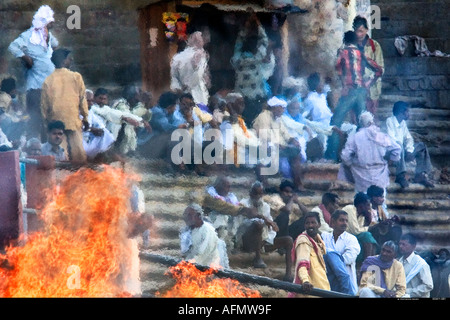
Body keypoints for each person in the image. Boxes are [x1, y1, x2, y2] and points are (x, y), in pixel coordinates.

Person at [324, 31, 383, 162]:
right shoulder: (362, 54)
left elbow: (339, 69)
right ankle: (364, 155)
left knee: (335, 122)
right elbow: (379, 70)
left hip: (349, 91)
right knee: (362, 123)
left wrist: (344, 85)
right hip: (362, 91)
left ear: (345, 40)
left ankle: (331, 155)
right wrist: (367, 83)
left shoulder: (343, 52)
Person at [8, 5, 59, 139]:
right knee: (35, 118)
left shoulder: (48, 35)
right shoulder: (28, 36)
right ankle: (34, 146)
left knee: (50, 118)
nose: (52, 23)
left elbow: (55, 45)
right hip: (36, 86)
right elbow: (13, 47)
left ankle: (47, 145)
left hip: (50, 86)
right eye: (49, 21)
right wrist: (25, 57)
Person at [40, 48, 89, 163]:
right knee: (79, 153)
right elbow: (82, 99)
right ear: (63, 61)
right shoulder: (76, 77)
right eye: (68, 58)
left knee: (61, 153)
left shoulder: (48, 80)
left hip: (56, 122)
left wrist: (46, 123)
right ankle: (80, 174)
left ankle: (63, 175)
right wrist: (85, 118)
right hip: (73, 120)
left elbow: (44, 105)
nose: (70, 60)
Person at [238, 181, 293, 280]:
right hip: (247, 242)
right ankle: (257, 258)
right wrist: (264, 221)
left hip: (263, 242)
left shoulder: (265, 206)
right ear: (250, 193)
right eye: (255, 193)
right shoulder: (243, 203)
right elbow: (242, 225)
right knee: (257, 224)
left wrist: (272, 229)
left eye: (260, 193)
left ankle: (288, 274)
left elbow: (271, 228)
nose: (258, 196)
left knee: (288, 240)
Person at [253, 96, 308, 193]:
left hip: (279, 146)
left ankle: (298, 184)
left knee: (296, 154)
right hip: (264, 145)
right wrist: (277, 143)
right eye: (281, 107)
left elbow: (285, 133)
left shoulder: (278, 118)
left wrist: (292, 140)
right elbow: (264, 134)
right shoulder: (263, 116)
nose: (283, 110)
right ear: (274, 107)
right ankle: (266, 186)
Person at [339, 111, 402, 193]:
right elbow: (397, 149)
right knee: (380, 202)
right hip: (380, 176)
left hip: (361, 176)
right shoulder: (381, 135)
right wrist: (389, 162)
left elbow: (345, 156)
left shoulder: (355, 137)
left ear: (361, 123)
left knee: (363, 202)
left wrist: (352, 165)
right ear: (371, 122)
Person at [231, 12, 275, 126]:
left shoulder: (237, 60)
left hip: (241, 98)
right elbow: (264, 40)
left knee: (243, 122)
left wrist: (245, 28)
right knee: (255, 122)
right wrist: (258, 24)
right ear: (255, 47)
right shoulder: (257, 58)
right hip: (256, 97)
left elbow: (238, 43)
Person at [385, 101, 434, 188]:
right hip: (391, 153)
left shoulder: (402, 123)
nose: (409, 113)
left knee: (421, 146)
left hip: (402, 152)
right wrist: (404, 149)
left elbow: (409, 138)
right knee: (398, 145)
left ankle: (420, 175)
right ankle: (400, 176)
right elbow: (391, 140)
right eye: (407, 111)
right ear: (401, 112)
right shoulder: (389, 121)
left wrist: (409, 150)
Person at [202, 176, 259, 251]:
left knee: (241, 217)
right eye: (226, 187)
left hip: (226, 227)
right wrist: (245, 210)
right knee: (223, 217)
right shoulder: (210, 196)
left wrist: (254, 213)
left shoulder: (229, 196)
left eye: (229, 187)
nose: (228, 190)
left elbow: (238, 206)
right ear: (218, 186)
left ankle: (231, 242)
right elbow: (225, 207)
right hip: (211, 225)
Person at [290, 211, 330, 297]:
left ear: (319, 225)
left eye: (313, 222)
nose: (310, 225)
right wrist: (305, 281)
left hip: (322, 289)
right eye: (307, 223)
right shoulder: (303, 240)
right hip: (311, 292)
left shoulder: (319, 242)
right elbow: (302, 264)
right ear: (304, 226)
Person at [322, 210, 361, 295]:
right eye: (341, 220)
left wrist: (332, 259)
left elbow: (349, 258)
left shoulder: (351, 239)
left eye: (346, 221)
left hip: (346, 284)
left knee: (329, 254)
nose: (345, 223)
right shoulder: (325, 236)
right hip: (328, 281)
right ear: (333, 222)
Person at [139, 91, 188, 159]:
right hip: (144, 145)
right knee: (173, 136)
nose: (175, 108)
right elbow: (166, 128)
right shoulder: (156, 112)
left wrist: (180, 126)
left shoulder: (168, 113)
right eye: (174, 106)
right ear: (170, 106)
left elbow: (176, 121)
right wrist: (178, 127)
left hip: (154, 142)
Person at [353, 16, 384, 118]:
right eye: (357, 31)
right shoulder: (350, 45)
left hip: (372, 88)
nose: (359, 34)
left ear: (367, 30)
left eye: (361, 31)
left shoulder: (374, 45)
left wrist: (369, 81)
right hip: (356, 88)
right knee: (357, 117)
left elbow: (381, 69)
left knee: (371, 117)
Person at [180, 203, 229, 268]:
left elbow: (204, 253)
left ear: (198, 216)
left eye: (189, 215)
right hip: (193, 264)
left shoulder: (207, 230)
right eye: (185, 215)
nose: (186, 218)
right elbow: (186, 252)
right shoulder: (187, 231)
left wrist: (190, 263)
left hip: (209, 267)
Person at [170, 31, 211, 105]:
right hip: (198, 96)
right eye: (203, 40)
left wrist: (179, 89)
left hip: (182, 96)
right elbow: (198, 75)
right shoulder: (200, 55)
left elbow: (174, 78)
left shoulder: (176, 57)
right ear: (199, 41)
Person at [111, 85, 150, 156]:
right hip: (116, 137)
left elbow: (148, 117)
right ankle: (117, 154)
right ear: (133, 96)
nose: (140, 96)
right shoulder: (120, 104)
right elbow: (130, 117)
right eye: (139, 94)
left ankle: (127, 152)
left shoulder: (133, 105)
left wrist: (146, 105)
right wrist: (142, 103)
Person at [342, 192, 378, 262]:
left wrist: (368, 221)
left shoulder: (362, 215)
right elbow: (356, 231)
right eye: (367, 205)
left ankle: (370, 263)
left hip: (353, 237)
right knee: (367, 235)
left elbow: (361, 230)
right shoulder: (350, 209)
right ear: (361, 205)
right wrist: (371, 227)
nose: (369, 208)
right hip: (343, 237)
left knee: (369, 240)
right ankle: (367, 264)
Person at [82, 90, 115, 161]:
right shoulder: (74, 111)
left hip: (88, 137)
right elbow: (76, 127)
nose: (91, 103)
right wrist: (92, 129)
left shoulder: (90, 111)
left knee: (106, 133)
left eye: (92, 101)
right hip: (78, 139)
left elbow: (99, 124)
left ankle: (100, 158)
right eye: (88, 101)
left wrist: (99, 130)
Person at [398, 233, 434, 298]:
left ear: (413, 246)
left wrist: (408, 292)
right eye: (400, 244)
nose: (400, 246)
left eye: (404, 244)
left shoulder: (421, 264)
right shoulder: (399, 261)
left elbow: (428, 285)